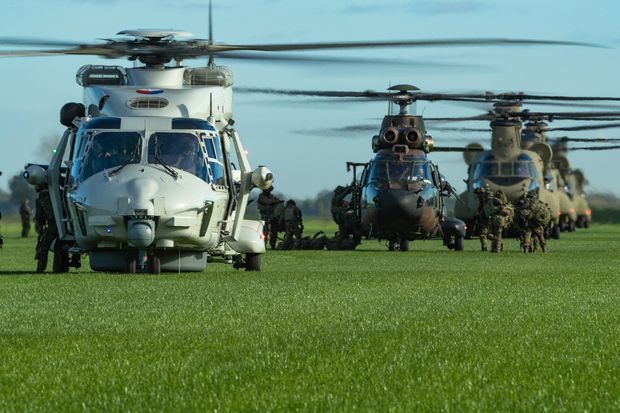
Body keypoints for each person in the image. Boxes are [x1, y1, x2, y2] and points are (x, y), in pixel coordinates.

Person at [34, 184, 58, 272]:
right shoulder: (58, 194)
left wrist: (40, 225)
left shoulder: (42, 197)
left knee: (44, 246)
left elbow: (40, 217)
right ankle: (59, 268)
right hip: (64, 225)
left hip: (52, 225)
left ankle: (40, 268)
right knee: (60, 246)